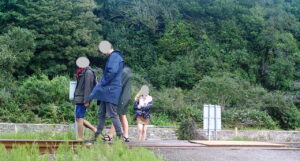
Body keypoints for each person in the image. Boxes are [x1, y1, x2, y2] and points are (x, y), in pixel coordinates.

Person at [88, 40, 124, 142]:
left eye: (102, 51)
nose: (102, 53)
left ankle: (120, 138)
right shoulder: (114, 57)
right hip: (107, 90)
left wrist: (101, 83)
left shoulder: (115, 56)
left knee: (112, 114)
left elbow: (111, 72)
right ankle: (96, 136)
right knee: (101, 113)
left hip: (111, 90)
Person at [105, 66, 132, 142]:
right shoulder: (125, 71)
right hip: (123, 97)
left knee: (117, 115)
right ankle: (125, 136)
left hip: (121, 98)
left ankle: (111, 135)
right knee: (121, 116)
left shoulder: (123, 72)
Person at [73, 57, 97, 141]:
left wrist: (87, 101)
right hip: (80, 97)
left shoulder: (88, 73)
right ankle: (95, 130)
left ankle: (80, 137)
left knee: (79, 118)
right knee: (78, 118)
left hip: (83, 98)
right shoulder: (82, 71)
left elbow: (88, 88)